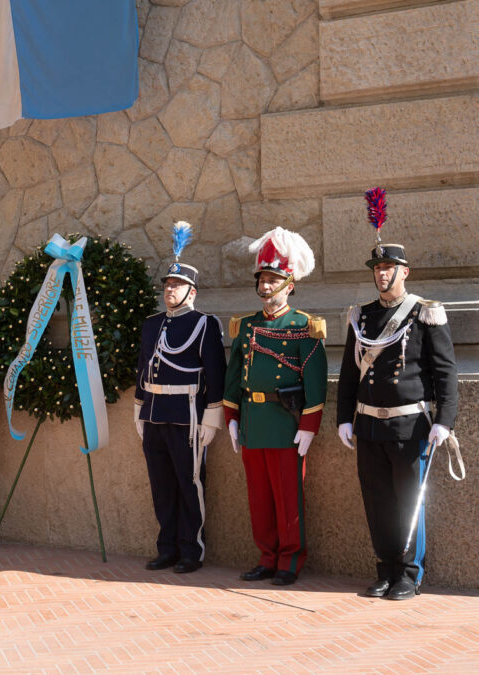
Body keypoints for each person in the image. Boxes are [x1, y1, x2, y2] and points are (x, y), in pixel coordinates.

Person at [336, 187, 459, 601]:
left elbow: (445, 373)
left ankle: (409, 573)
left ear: (404, 271)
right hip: (369, 425)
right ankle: (385, 569)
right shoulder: (362, 316)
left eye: (389, 266)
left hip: (410, 426)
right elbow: (350, 372)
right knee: (377, 502)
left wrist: (444, 421)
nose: (382, 273)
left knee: (409, 504)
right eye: (377, 267)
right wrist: (343, 418)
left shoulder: (425, 312)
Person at [222, 227, 326, 586]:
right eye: (262, 279)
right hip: (253, 422)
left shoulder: (304, 327)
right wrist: (232, 418)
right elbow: (233, 378)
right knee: (259, 499)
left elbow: (315, 384)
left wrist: (309, 427)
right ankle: (267, 557)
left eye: (273, 279)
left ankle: (289, 561)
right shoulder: (246, 326)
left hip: (286, 424)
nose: (266, 286)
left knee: (287, 499)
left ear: (290, 283)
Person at [133, 222, 226, 574]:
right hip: (155, 411)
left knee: (190, 484)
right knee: (161, 485)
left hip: (187, 413)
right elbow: (143, 367)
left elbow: (214, 374)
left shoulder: (205, 324)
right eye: (168, 284)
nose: (170, 290)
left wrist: (212, 417)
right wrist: (139, 408)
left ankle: (191, 549)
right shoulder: (151, 324)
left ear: (192, 292)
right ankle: (167, 547)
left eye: (178, 285)